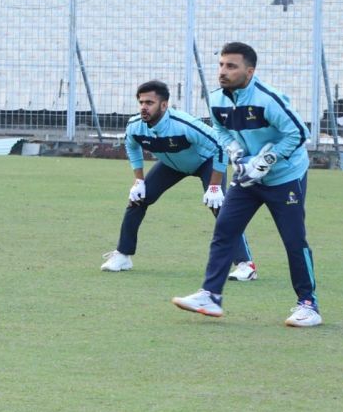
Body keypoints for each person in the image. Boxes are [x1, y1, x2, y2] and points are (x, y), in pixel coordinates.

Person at [172, 42, 320, 327]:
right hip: (246, 177)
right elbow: (220, 130)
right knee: (224, 230)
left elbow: (299, 134)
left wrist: (266, 160)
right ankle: (211, 296)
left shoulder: (269, 99)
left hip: (284, 177)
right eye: (221, 65)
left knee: (293, 240)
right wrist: (236, 153)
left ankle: (308, 305)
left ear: (249, 71)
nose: (223, 72)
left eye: (231, 66)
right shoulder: (216, 99)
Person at [101, 80, 256, 279]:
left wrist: (215, 186)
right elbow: (132, 147)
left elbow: (220, 146)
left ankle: (245, 265)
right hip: (172, 165)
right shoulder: (135, 126)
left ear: (164, 105)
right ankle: (123, 255)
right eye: (141, 102)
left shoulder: (184, 124)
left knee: (219, 207)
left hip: (206, 162)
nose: (143, 107)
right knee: (138, 199)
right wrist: (138, 180)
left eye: (149, 103)